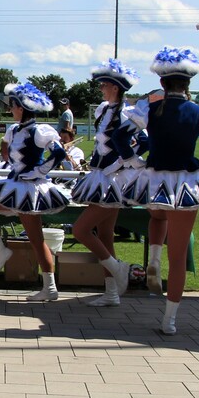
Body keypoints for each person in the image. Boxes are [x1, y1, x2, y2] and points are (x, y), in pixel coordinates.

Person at [125, 47, 199, 335]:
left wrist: (134, 162)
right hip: (187, 183)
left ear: (162, 83)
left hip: (154, 180)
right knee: (178, 257)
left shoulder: (150, 109)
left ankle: (153, 258)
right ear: (188, 84)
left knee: (157, 216)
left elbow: (119, 137)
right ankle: (169, 320)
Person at [0, 83, 71, 301]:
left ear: (21, 107)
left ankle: (49, 287)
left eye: (13, 106)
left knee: (36, 239)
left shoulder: (40, 130)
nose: (10, 110)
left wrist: (38, 171)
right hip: (16, 183)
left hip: (29, 189)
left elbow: (58, 153)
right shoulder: (15, 129)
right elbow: (10, 155)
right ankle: (1, 251)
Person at [70, 60, 148, 307]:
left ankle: (118, 268)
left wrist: (123, 163)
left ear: (115, 87)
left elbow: (144, 142)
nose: (101, 88)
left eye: (104, 85)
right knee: (105, 235)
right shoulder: (104, 110)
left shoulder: (127, 113)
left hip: (113, 180)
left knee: (80, 230)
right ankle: (111, 292)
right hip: (101, 176)